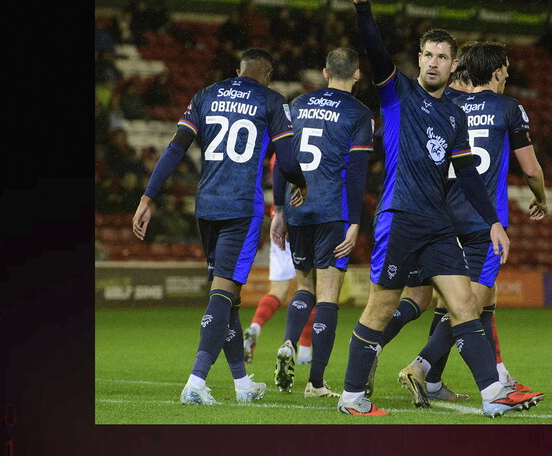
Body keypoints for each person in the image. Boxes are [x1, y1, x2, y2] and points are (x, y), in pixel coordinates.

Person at [336, 0, 540, 417]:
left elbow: (467, 175)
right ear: (420, 58)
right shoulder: (397, 93)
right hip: (400, 216)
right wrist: (363, 8)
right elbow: (374, 50)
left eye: (440, 57)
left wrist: (493, 224)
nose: (431, 61)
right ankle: (352, 397)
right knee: (382, 307)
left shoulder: (456, 115)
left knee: (465, 302)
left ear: (452, 66)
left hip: (438, 224)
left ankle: (493, 396)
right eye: (426, 54)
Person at [132, 48, 308, 406]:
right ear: (268, 73)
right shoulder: (272, 101)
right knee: (224, 292)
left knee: (228, 298)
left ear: (238, 69)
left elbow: (175, 148)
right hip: (241, 210)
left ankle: (242, 385)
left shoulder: (206, 95)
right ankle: (195, 382)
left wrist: (147, 197)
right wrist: (301, 183)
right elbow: (287, 160)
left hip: (207, 206)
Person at [401, 40, 549, 403]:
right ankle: (420, 368)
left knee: (454, 301)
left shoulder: (450, 104)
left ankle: (447, 380)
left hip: (441, 217)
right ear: (497, 72)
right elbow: (530, 168)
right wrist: (541, 197)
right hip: (480, 221)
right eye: (507, 69)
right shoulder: (509, 108)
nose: (509, 74)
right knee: (470, 303)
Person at [269, 47, 374, 398]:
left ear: (325, 72)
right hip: (334, 208)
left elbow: (281, 160)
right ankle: (315, 382)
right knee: (329, 295)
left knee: (304, 286)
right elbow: (358, 171)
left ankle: (287, 342)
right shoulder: (360, 113)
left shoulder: (296, 105)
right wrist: (356, 221)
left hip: (298, 206)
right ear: (356, 75)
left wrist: (280, 210)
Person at [243, 153, 317, 367]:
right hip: (303, 220)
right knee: (310, 287)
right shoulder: (306, 144)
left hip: (279, 219)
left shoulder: (278, 153)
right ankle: (304, 350)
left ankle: (255, 327)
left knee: (278, 290)